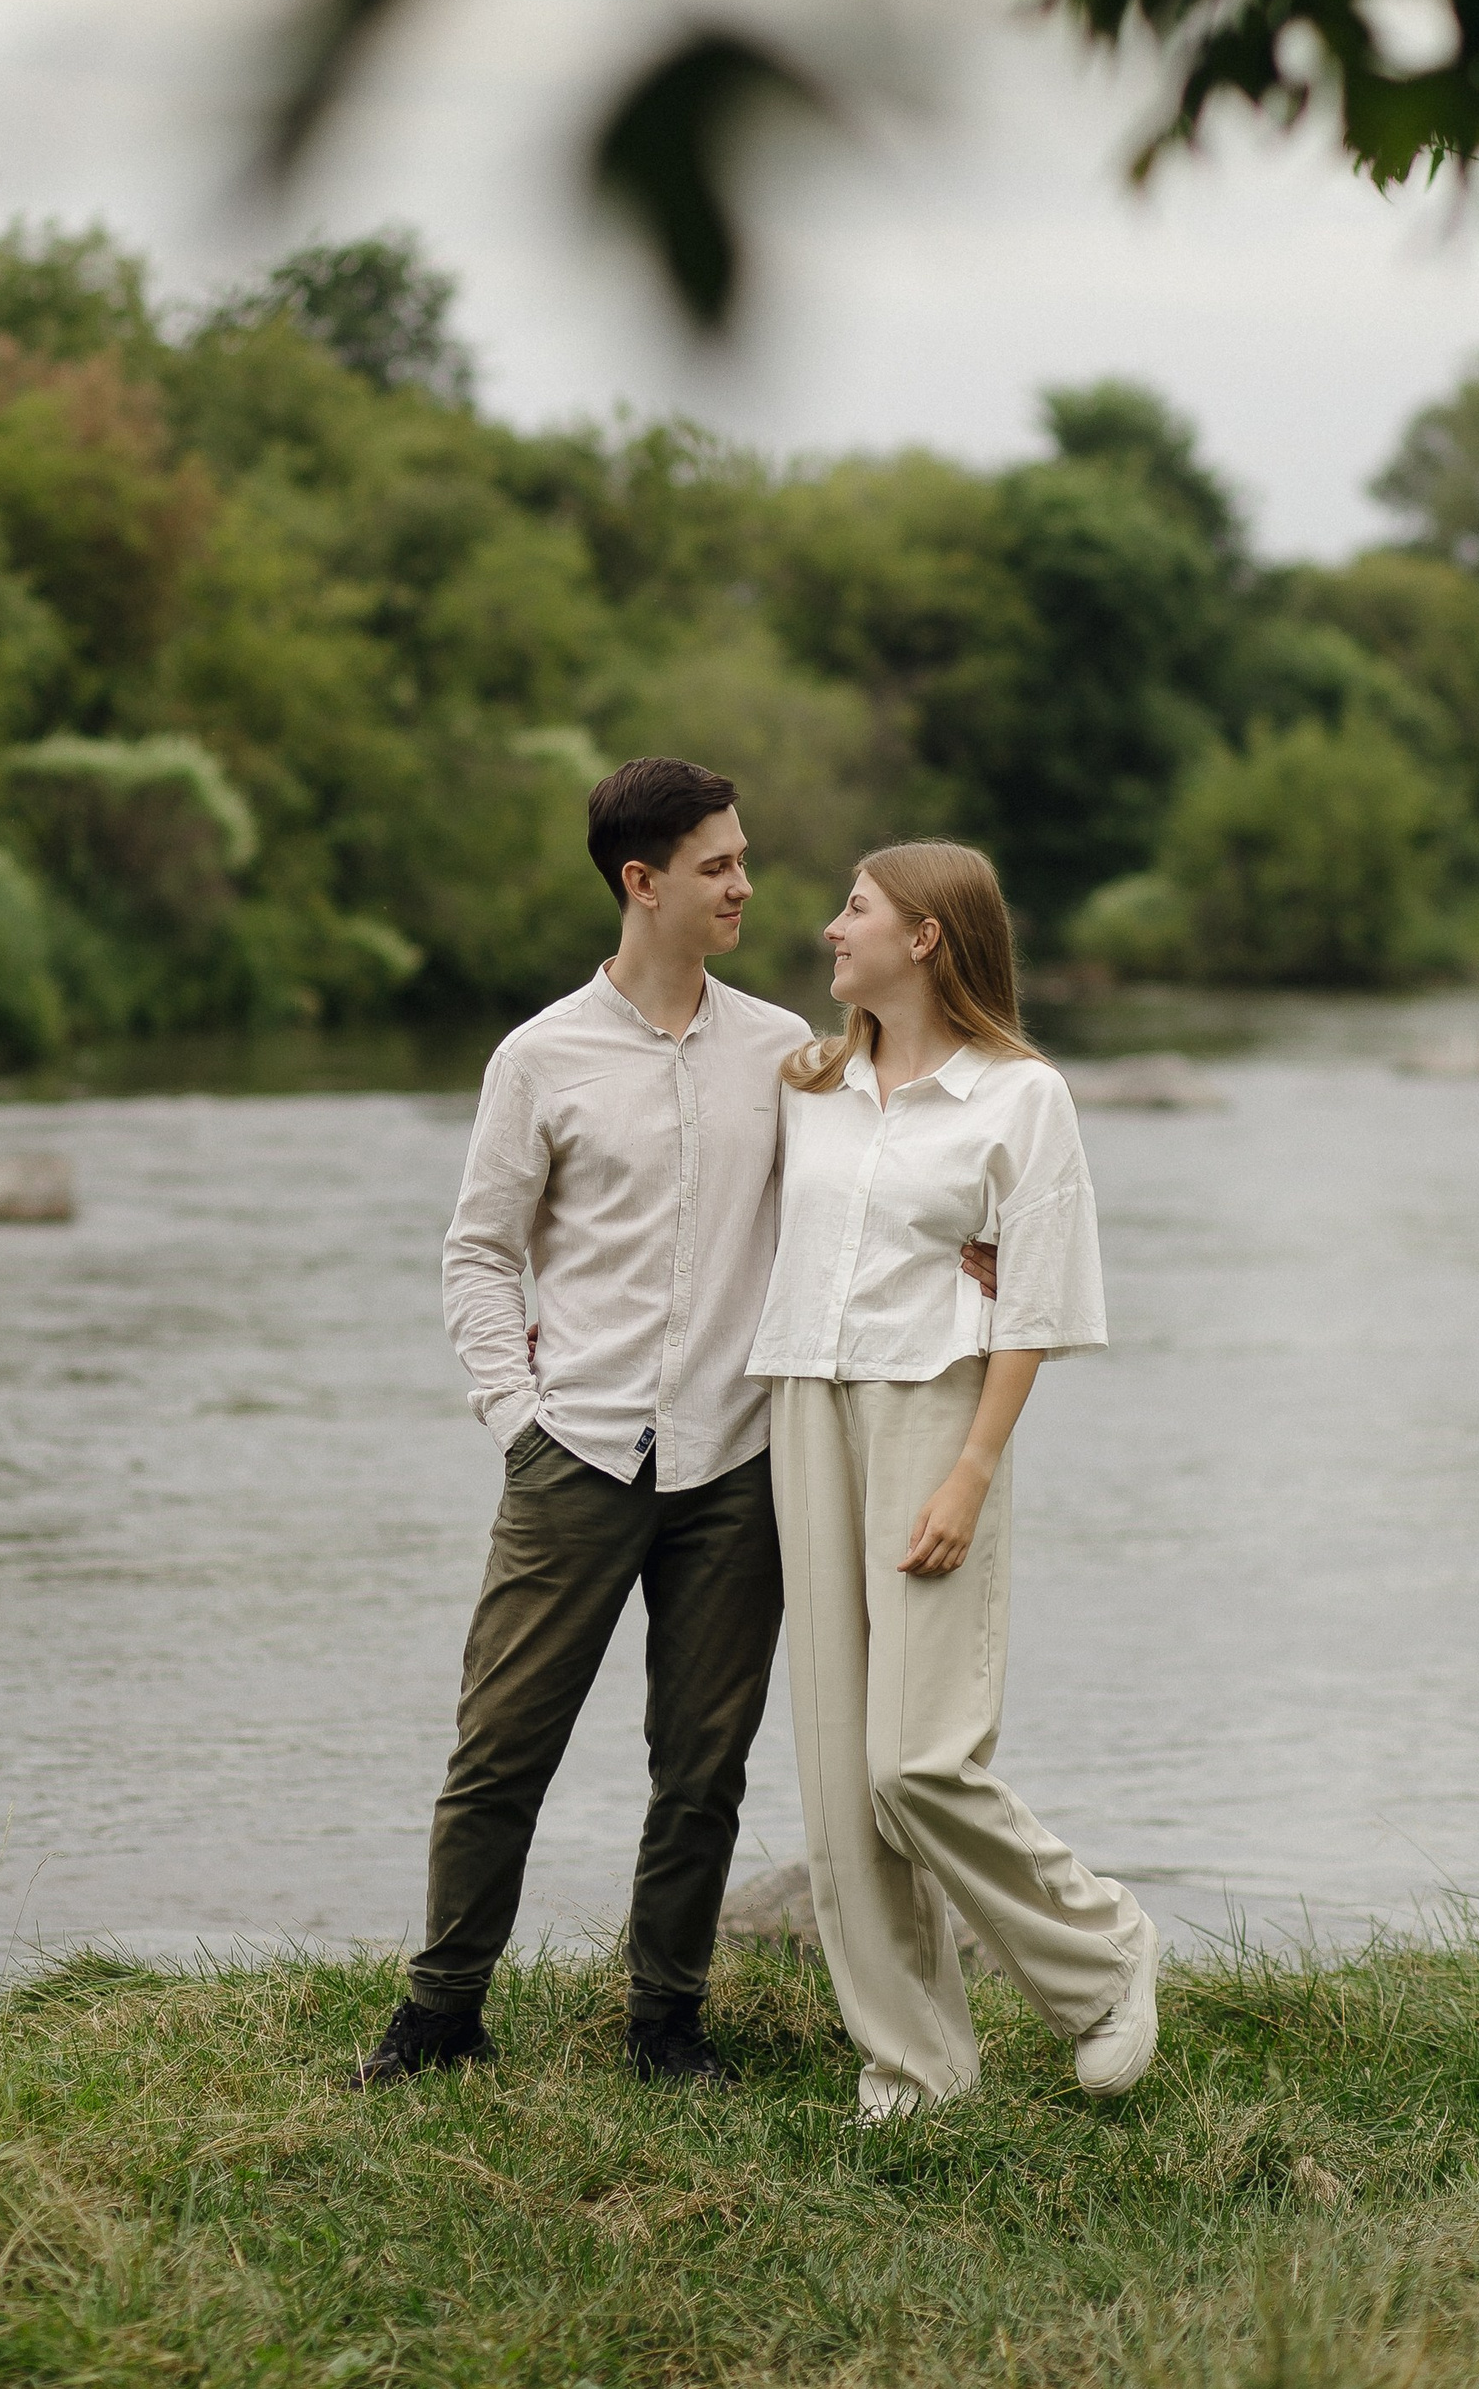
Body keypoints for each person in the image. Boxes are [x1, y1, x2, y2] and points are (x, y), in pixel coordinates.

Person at [352, 759, 995, 2090]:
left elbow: (894, 1157)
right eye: (719, 865)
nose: (748, 885)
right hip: (572, 1456)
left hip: (736, 1468)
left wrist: (980, 1242)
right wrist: (516, 1418)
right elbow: (480, 1251)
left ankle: (668, 2022)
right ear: (642, 882)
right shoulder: (539, 1058)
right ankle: (440, 2016)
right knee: (499, 1752)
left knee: (701, 1768)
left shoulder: (789, 1053)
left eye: (744, 859)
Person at [748, 840, 1159, 2124]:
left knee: (914, 1758)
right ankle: (915, 2065)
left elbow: (1034, 1297)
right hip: (802, 1401)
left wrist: (971, 1470)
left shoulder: (1020, 1097)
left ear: (924, 935)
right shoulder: (806, 1081)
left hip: (935, 1408)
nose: (829, 928)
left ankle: (1099, 1956)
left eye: (854, 909)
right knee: (833, 1772)